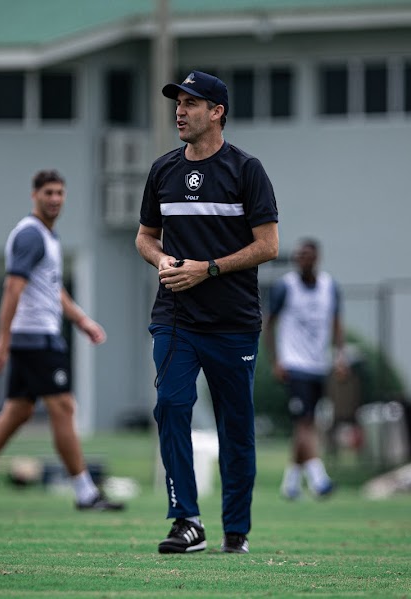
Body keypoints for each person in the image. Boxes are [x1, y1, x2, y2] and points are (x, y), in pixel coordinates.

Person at [135, 70, 279, 554]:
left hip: (233, 324)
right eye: (177, 101)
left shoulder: (246, 169)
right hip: (175, 317)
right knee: (171, 407)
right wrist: (162, 261)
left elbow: (269, 245)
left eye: (191, 103)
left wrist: (208, 269)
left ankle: (235, 530)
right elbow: (145, 237)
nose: (179, 109)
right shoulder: (162, 170)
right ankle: (187, 521)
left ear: (217, 112)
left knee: (235, 428)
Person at [0, 169, 123, 513]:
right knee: (64, 408)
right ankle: (86, 493)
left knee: (17, 412)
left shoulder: (47, 237)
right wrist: (3, 338)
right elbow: (13, 287)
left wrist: (82, 320)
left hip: (38, 336)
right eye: (48, 193)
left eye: (59, 193)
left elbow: (52, 289)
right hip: (37, 338)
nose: (55, 199)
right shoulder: (31, 235)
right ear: (34, 196)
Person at [264, 238, 347, 500]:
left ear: (317, 258)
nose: (303, 259)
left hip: (318, 365)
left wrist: (340, 356)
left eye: (308, 255)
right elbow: (269, 324)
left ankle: (290, 484)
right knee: (304, 423)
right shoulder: (284, 287)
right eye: (299, 255)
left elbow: (336, 324)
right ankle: (318, 479)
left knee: (309, 423)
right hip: (294, 364)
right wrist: (276, 360)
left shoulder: (329, 287)